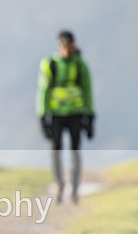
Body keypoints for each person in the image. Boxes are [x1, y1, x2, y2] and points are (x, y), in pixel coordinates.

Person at [37, 30, 95, 204]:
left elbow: (87, 90)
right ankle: (59, 184)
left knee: (75, 150)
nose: (67, 49)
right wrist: (42, 116)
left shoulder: (80, 65)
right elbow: (43, 91)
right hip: (56, 114)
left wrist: (90, 116)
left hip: (76, 113)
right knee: (56, 150)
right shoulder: (51, 64)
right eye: (64, 45)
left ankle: (75, 189)